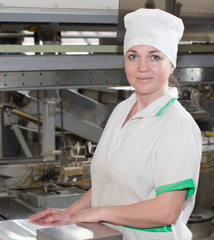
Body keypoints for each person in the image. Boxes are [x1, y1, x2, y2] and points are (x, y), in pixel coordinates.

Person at [28, 8, 202, 240]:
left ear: (171, 64)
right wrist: (69, 213)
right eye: (133, 56)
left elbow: (166, 211)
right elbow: (107, 184)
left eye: (155, 56)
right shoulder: (121, 111)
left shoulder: (177, 124)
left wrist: (97, 213)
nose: (142, 67)